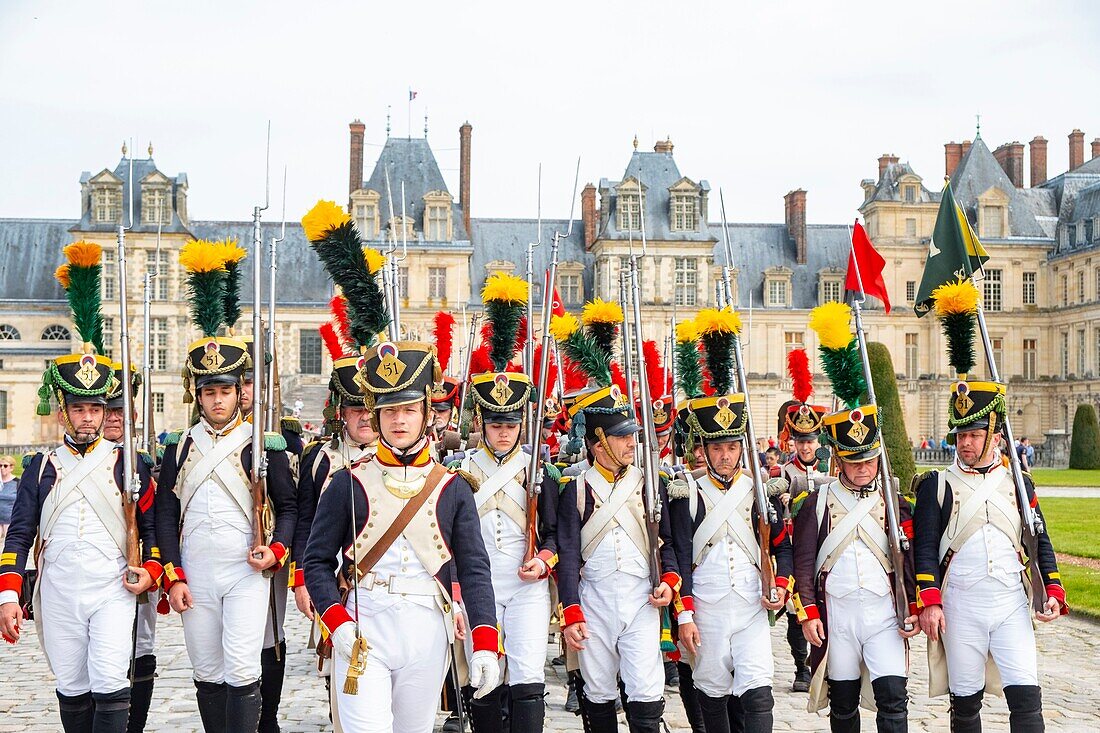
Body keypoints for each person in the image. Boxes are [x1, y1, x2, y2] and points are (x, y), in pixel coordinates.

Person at [0, 241, 157, 733]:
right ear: (64, 409)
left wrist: (151, 569)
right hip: (59, 589)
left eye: (97, 409)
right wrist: (8, 595)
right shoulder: (40, 467)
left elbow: (151, 526)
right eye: (80, 408)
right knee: (71, 684)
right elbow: (19, 533)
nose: (88, 417)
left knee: (111, 680)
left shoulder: (130, 463)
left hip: (112, 586)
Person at [303, 340, 501, 732]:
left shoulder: (453, 487)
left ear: (427, 413)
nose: (399, 419)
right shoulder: (347, 483)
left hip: (426, 626)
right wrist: (337, 621)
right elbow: (317, 562)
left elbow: (476, 570)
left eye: (409, 409)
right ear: (376, 417)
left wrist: (485, 642)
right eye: (389, 410)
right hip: (364, 623)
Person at [156, 240, 298, 732]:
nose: (218, 400)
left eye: (226, 390)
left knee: (242, 668)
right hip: (195, 570)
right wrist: (172, 574)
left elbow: (289, 506)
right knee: (206, 671)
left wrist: (277, 549)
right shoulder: (177, 447)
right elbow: (163, 517)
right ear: (197, 394)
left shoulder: (266, 443)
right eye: (209, 391)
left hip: (245, 571)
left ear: (241, 392)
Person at [915, 379, 1067, 732]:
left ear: (995, 436)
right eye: (961, 435)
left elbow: (1039, 539)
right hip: (960, 605)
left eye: (975, 434)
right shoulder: (937, 485)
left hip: (1009, 602)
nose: (965, 442)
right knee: (965, 705)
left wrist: (1053, 589)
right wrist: (931, 602)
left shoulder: (1019, 482)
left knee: (1027, 700)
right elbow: (924, 548)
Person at [668, 318, 791, 733]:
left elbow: (783, 547)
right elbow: (679, 555)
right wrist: (683, 613)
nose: (725, 455)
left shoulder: (763, 490)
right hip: (707, 605)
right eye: (717, 447)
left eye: (732, 446)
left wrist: (783, 586)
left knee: (758, 690)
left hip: (753, 606)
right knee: (712, 691)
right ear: (703, 447)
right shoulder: (685, 493)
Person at [792, 404, 919, 732]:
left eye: (868, 459)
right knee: (843, 705)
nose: (863, 467)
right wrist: (808, 611)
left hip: (884, 615)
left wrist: (914, 606)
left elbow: (909, 557)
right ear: (839, 460)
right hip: (838, 615)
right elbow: (804, 562)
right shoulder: (817, 502)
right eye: (854, 460)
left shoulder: (894, 500)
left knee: (893, 699)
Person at [102, 363, 163, 733]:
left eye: (120, 411)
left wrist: (155, 568)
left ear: (134, 416)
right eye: (105, 410)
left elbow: (154, 523)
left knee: (141, 645)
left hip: (135, 569)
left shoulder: (138, 463)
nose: (112, 419)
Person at [775, 352, 832, 695]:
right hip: (795, 547)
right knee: (797, 610)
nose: (807, 446)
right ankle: (800, 666)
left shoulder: (831, 473)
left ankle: (818, 662)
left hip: (822, 547)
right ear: (793, 442)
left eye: (811, 441)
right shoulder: (784, 472)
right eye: (801, 441)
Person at [0, 454, 17, 543]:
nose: (2, 468)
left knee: (9, 543)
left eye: (5, 466)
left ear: (11, 467)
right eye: (0, 465)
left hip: (10, 519)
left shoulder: (17, 482)